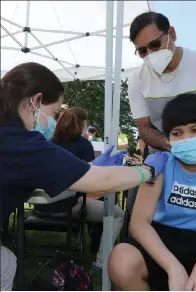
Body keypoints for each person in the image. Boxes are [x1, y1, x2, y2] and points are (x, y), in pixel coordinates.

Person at [0, 62, 167, 289]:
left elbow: (60, 183)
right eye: (54, 113)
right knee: (6, 264)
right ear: (36, 101)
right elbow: (103, 182)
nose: (54, 122)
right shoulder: (22, 142)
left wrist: (93, 166)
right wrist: (147, 170)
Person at [108, 93, 196, 291]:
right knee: (122, 261)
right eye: (177, 133)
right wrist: (173, 267)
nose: (187, 139)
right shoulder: (159, 164)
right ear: (168, 138)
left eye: (195, 130)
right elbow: (139, 223)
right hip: (162, 238)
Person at [128, 11, 196, 157]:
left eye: (155, 44)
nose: (150, 54)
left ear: (172, 33)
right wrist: (172, 145)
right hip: (167, 159)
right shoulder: (137, 79)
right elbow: (144, 127)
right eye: (142, 51)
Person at [35, 106, 125, 270]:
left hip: (40, 205)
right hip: (66, 206)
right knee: (118, 213)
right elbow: (93, 182)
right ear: (83, 124)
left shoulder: (48, 144)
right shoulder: (84, 145)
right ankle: (101, 260)